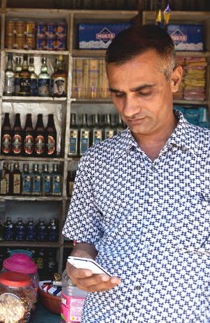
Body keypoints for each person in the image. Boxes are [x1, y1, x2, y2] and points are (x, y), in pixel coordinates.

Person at [62, 24, 210, 322]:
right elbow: (83, 241)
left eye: (143, 92)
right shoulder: (97, 161)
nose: (129, 109)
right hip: (108, 315)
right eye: (119, 95)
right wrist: (79, 265)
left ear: (175, 79)